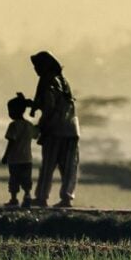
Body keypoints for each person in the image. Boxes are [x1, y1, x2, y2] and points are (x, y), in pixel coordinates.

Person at [29, 51, 80, 208]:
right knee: (68, 166)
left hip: (55, 129)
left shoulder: (48, 82)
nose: (35, 70)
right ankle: (66, 198)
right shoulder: (63, 81)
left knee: (48, 165)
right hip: (71, 129)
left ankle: (42, 197)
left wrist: (41, 125)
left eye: (37, 66)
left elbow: (50, 106)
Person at [2, 92, 36, 208]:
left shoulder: (13, 125)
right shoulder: (29, 125)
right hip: (27, 159)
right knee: (26, 179)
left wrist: (5, 156)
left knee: (14, 179)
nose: (9, 113)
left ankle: (14, 199)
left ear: (16, 111)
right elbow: (36, 135)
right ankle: (27, 196)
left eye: (10, 111)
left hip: (15, 159)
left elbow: (11, 142)